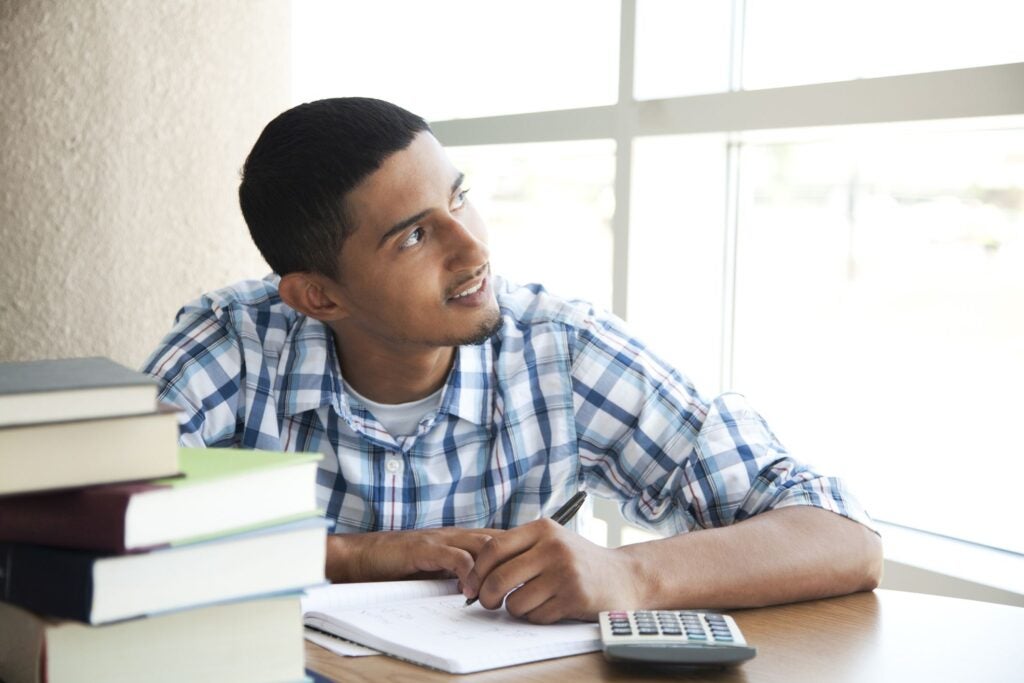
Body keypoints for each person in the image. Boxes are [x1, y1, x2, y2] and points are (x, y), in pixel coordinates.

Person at [143, 97, 881, 624]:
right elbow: (77, 530)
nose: (473, 248)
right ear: (319, 297)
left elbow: (840, 534)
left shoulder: (559, 349)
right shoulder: (234, 344)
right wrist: (353, 555)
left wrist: (629, 573)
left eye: (460, 198)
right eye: (413, 236)